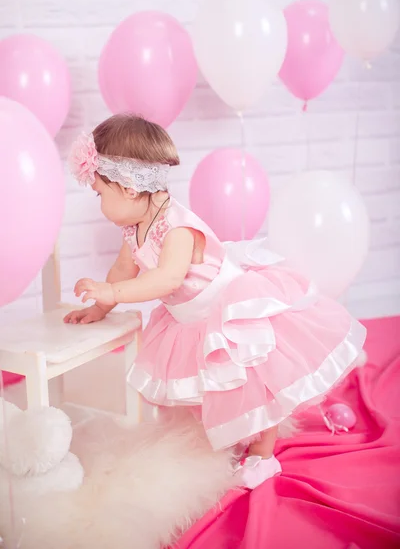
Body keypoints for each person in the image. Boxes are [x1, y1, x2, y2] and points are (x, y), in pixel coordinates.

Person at [65, 114, 366, 489]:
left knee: (254, 381)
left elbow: (167, 278)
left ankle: (262, 455)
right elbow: (123, 270)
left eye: (99, 193)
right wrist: (100, 306)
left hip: (229, 310)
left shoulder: (177, 228)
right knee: (217, 384)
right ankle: (235, 433)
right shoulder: (134, 226)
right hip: (193, 316)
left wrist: (113, 293)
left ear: (127, 188)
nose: (99, 203)